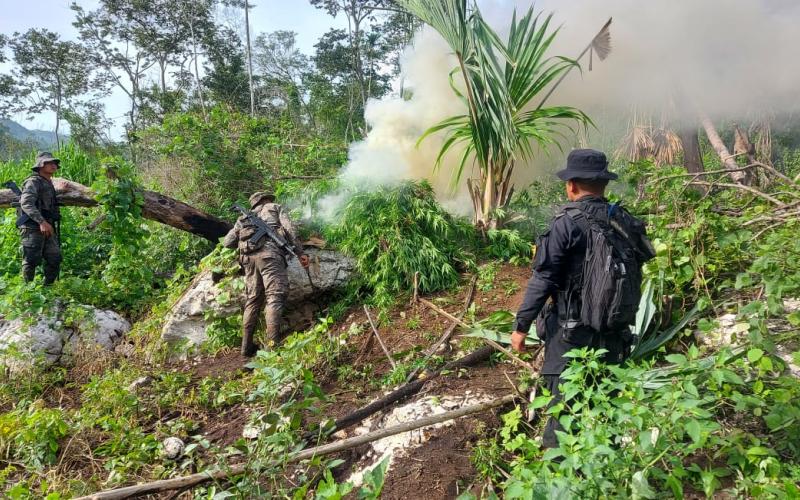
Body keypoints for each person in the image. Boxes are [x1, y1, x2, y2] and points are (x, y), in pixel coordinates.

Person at [510, 149, 654, 448]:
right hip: (614, 334)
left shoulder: (565, 222)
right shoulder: (625, 221)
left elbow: (544, 278)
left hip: (570, 337)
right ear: (604, 184)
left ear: (571, 185)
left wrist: (521, 326)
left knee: (562, 414)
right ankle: (604, 468)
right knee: (607, 407)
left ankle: (560, 479)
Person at [223, 191, 310, 357]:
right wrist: (300, 253)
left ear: (254, 203)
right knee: (275, 296)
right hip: (270, 257)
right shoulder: (275, 208)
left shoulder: (243, 219)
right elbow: (290, 229)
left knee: (253, 300)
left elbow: (228, 242)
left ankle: (246, 349)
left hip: (248, 261)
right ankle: (272, 348)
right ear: (266, 199)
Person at [17, 152, 62, 285]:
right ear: (41, 165)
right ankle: (28, 292)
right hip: (33, 226)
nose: (54, 165)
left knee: (54, 257)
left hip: (47, 225)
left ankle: (47, 289)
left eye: (55, 163)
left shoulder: (48, 182)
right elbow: (26, 203)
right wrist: (42, 222)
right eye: (50, 163)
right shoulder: (33, 181)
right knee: (31, 260)